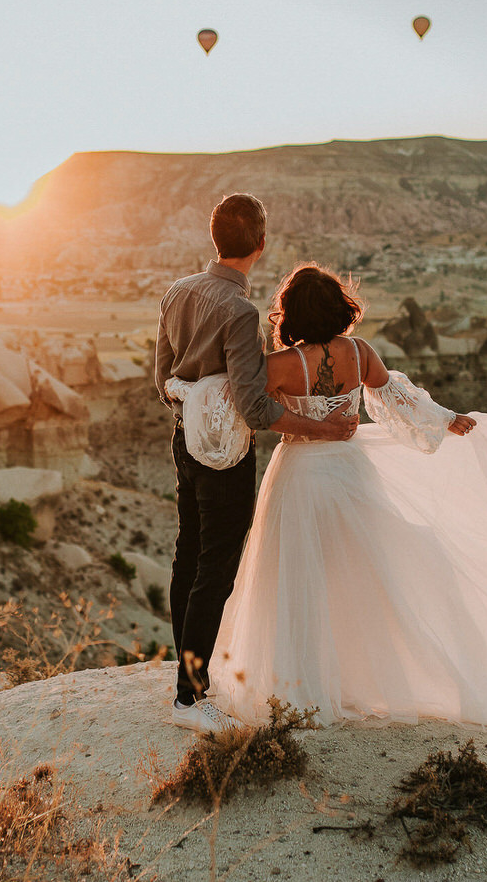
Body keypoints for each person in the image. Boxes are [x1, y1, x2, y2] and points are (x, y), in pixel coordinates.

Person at [206, 263, 487, 738]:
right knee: (359, 574)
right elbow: (395, 396)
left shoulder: (282, 366)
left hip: (300, 476)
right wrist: (446, 419)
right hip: (352, 474)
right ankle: (358, 678)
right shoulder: (359, 352)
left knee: (294, 577)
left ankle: (298, 688)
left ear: (289, 314)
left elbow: (249, 408)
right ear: (337, 307)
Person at [154, 195, 357, 734]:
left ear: (214, 237)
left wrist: (194, 406)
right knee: (216, 569)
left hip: (185, 439)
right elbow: (254, 405)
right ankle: (190, 697)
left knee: (189, 554)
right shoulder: (240, 311)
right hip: (226, 454)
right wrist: (322, 427)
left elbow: (162, 377)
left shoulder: (177, 292)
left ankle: (189, 677)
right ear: (261, 245)